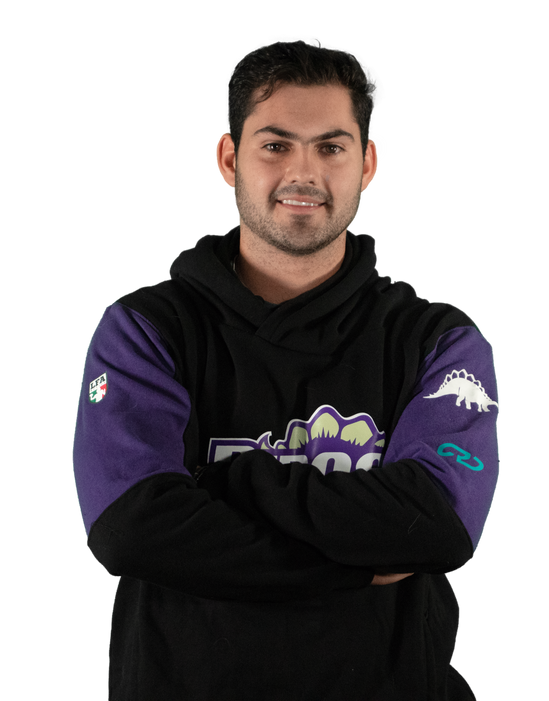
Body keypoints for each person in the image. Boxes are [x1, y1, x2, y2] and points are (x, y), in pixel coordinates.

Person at [71, 32, 501, 700]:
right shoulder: (145, 329)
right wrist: (357, 566)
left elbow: (439, 526)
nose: (304, 173)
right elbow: (129, 531)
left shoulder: (439, 340)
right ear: (228, 157)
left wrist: (230, 480)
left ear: (369, 163)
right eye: (276, 146)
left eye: (331, 147)